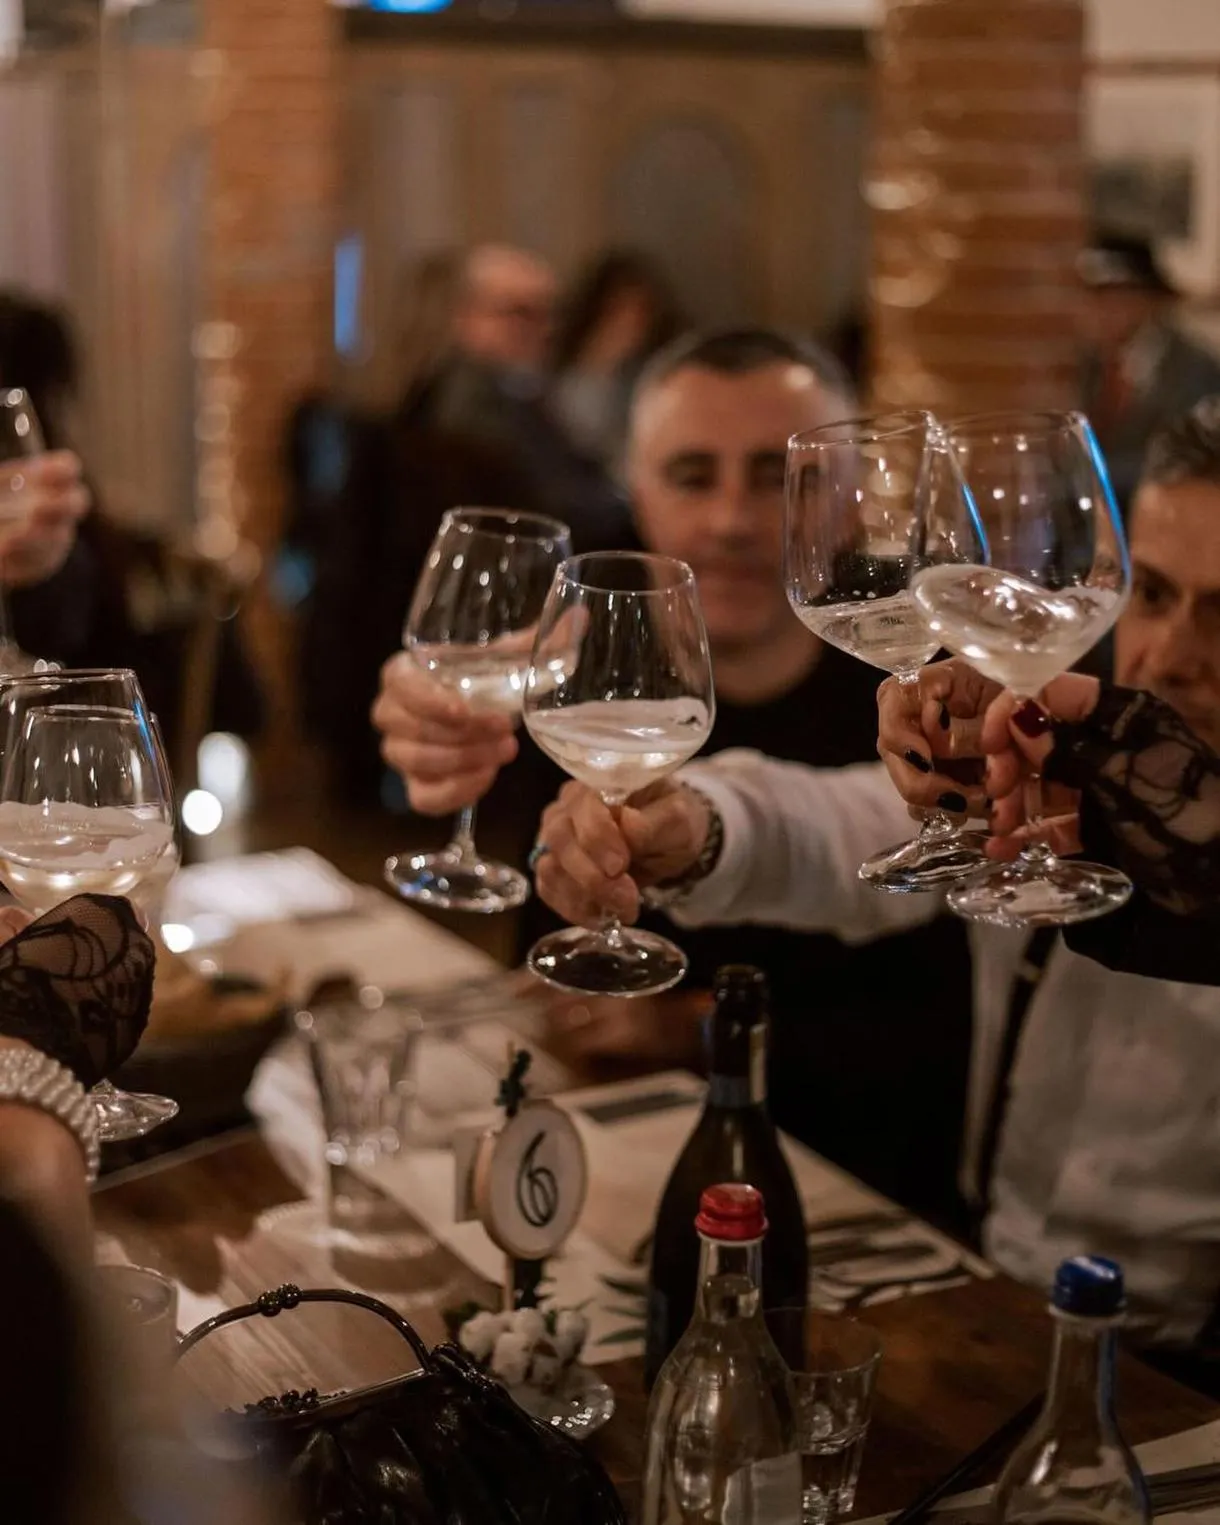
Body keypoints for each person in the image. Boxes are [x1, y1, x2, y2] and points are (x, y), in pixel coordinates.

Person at [521, 399, 1220, 1366]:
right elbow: (841, 825)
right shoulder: (1070, 762)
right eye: (1157, 595)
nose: (1173, 658)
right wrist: (687, 827)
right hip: (992, 1298)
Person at [373, 327, 974, 1226]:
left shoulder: (915, 676)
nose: (732, 519)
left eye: (777, 478)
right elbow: (445, 692)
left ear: (852, 497)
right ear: (634, 485)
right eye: (693, 475)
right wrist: (424, 717)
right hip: (597, 1164)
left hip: (852, 1184)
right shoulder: (584, 639)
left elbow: (933, 1030)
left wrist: (697, 1028)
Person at [1079, 233, 1220, 514]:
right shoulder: (1088, 366)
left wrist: (1082, 477)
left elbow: (1185, 462)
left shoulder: (1193, 368)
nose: (1102, 313)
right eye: (1094, 299)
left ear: (1149, 300)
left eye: (1116, 298)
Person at [550, 249, 684, 466]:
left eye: (640, 311)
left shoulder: (661, 370)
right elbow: (579, 437)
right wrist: (603, 359)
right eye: (619, 310)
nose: (631, 322)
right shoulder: (566, 373)